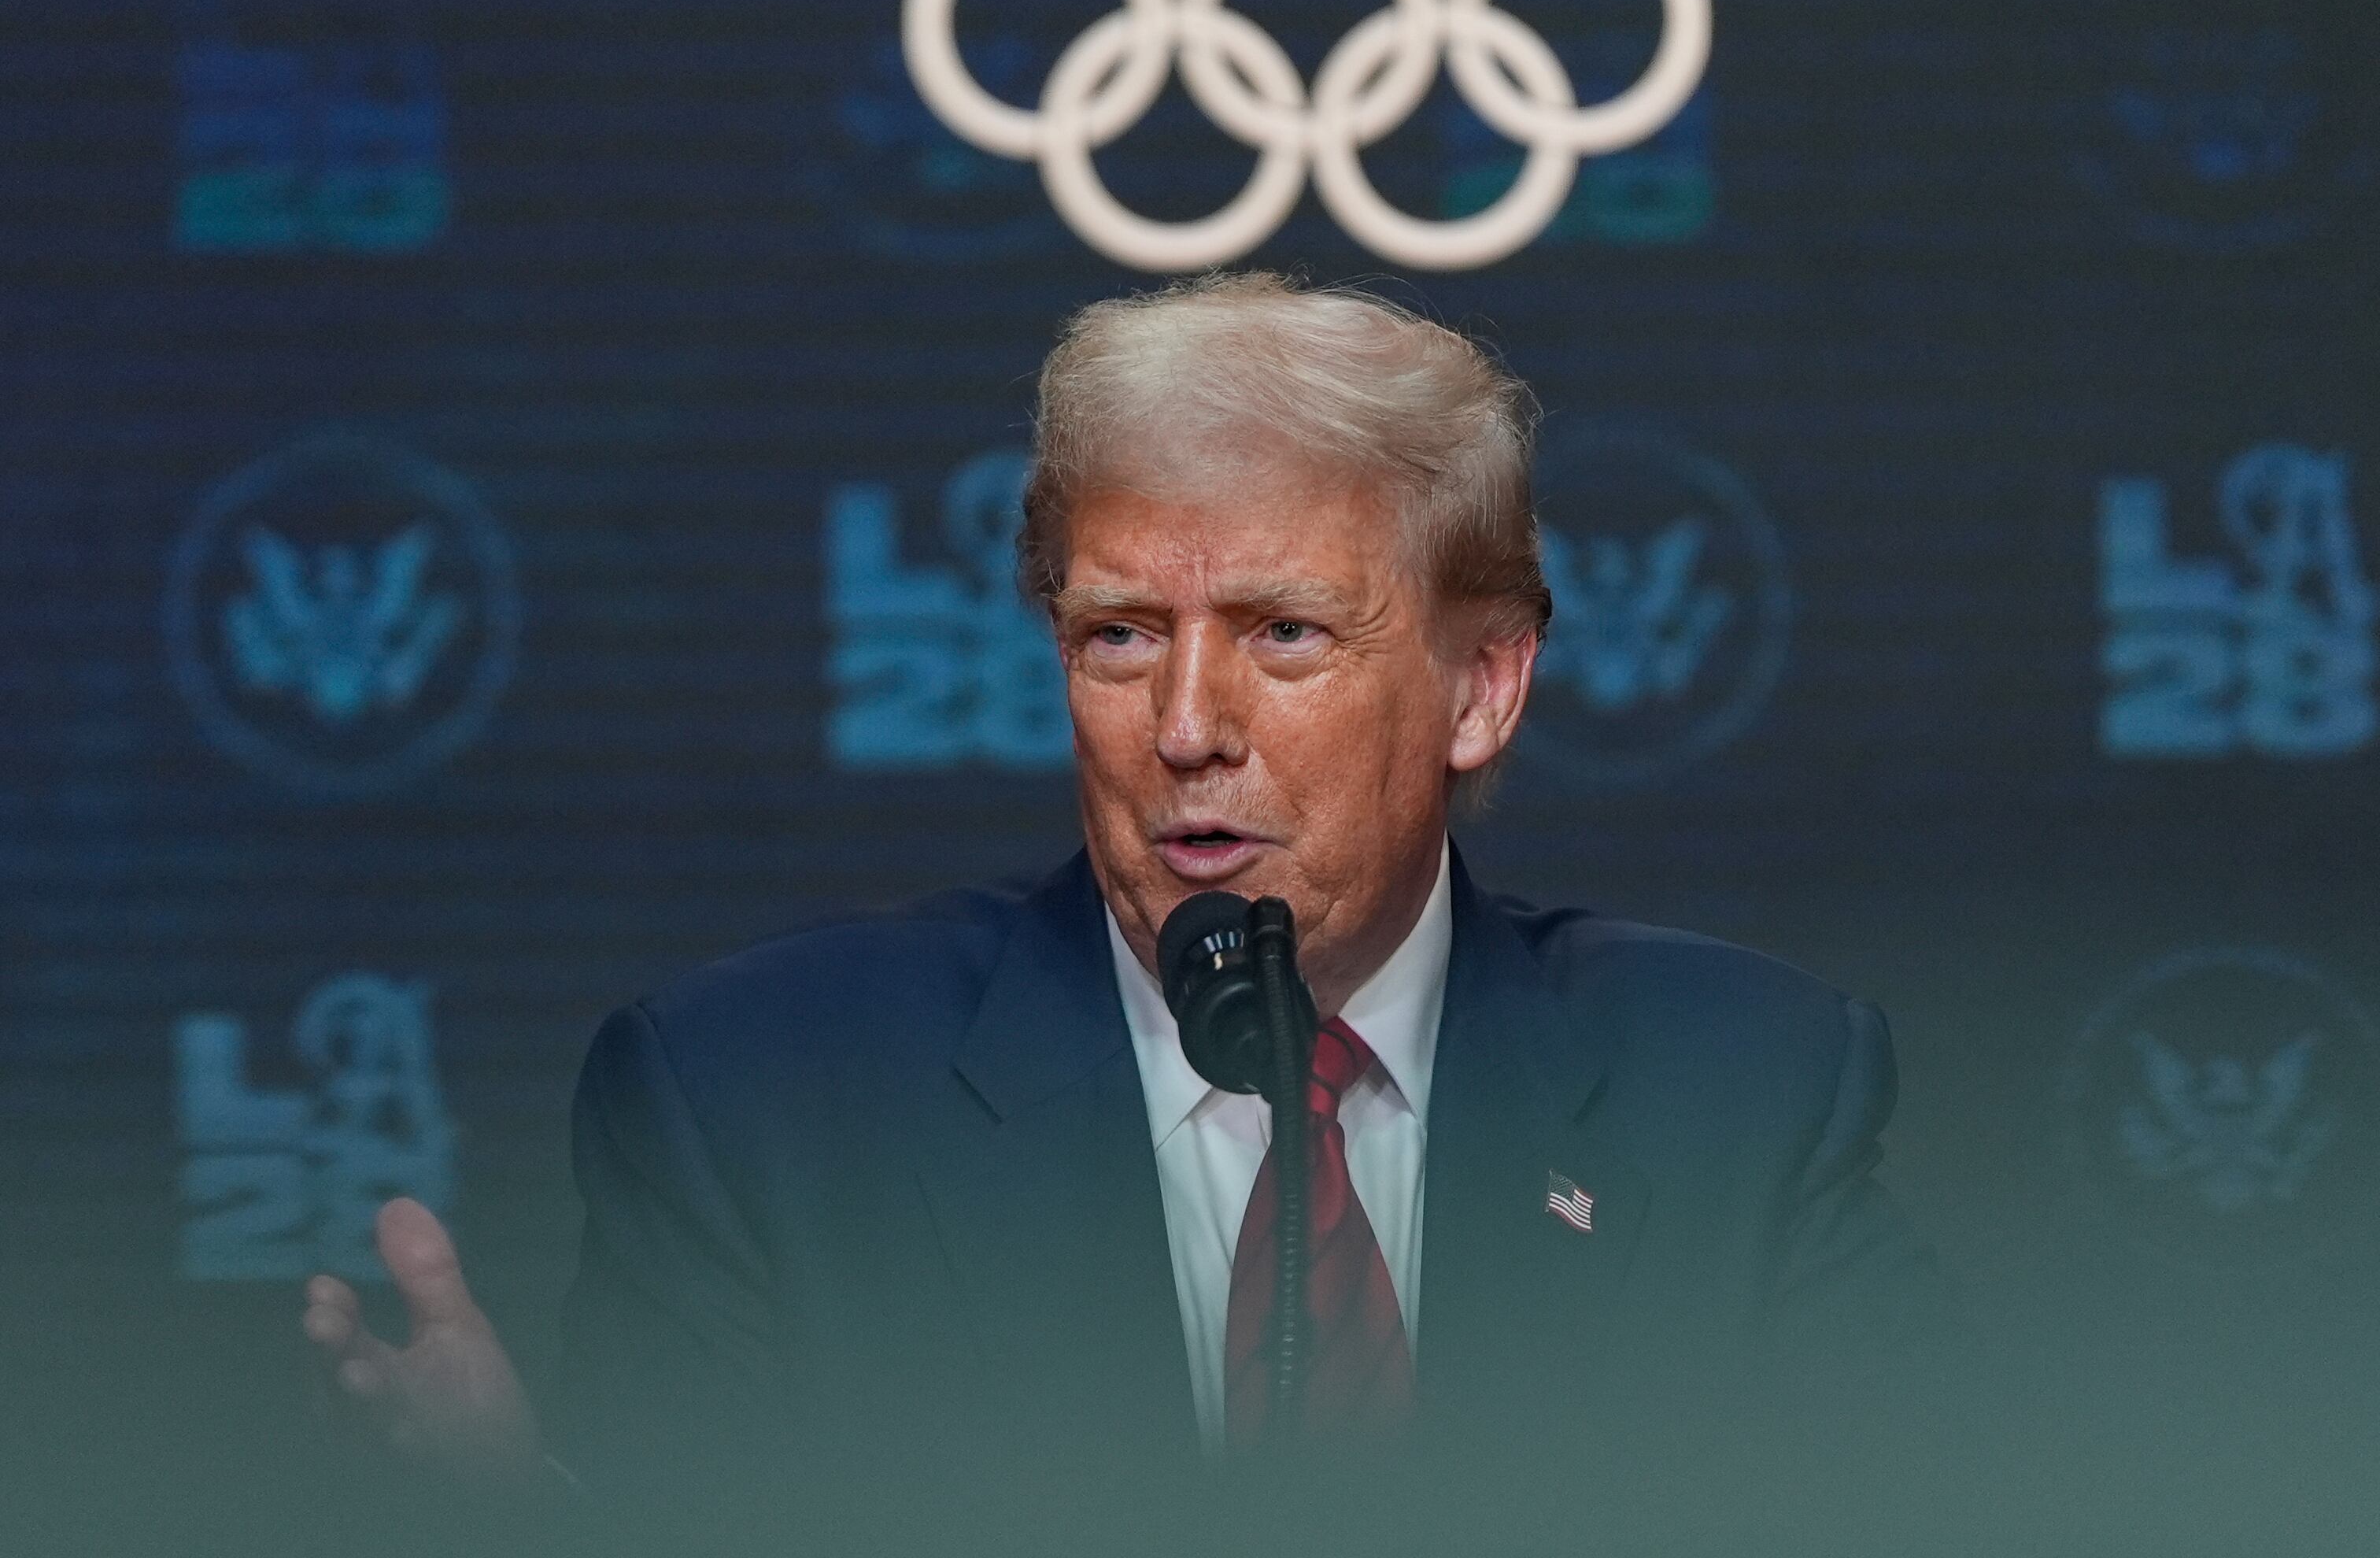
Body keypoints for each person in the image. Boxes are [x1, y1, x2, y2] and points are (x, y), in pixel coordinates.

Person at [301, 272, 1953, 1555]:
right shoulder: (765, 1106)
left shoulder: (1747, 1094)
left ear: (1481, 684)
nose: (1184, 721)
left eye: (1285, 632)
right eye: (1116, 638)